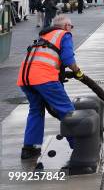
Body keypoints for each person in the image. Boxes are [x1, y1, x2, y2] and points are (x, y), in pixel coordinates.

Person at [16, 14, 85, 159]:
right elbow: (67, 58)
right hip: (44, 79)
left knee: (35, 111)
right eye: (71, 26)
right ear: (66, 26)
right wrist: (78, 72)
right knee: (67, 111)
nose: (71, 29)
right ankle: (81, 148)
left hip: (25, 79)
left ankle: (30, 148)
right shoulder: (64, 35)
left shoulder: (43, 37)